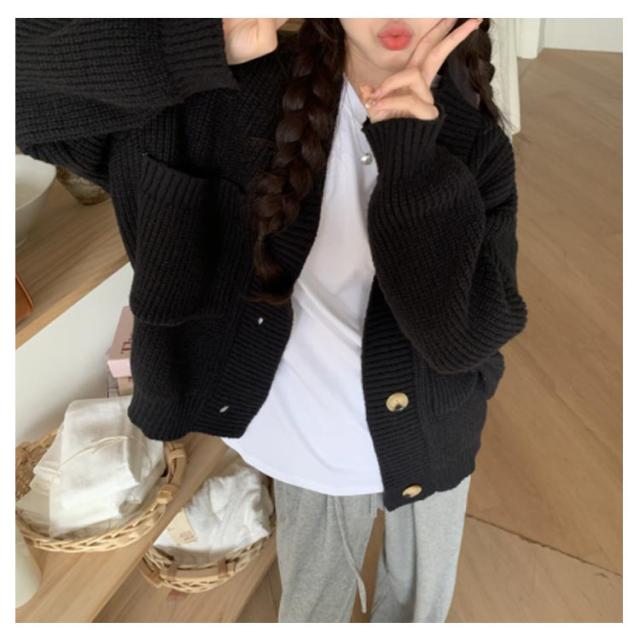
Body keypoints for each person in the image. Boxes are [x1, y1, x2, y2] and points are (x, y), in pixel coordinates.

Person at [16, 18, 528, 623]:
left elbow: (462, 339)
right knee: (312, 602)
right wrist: (190, 44)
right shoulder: (228, 98)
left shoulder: (478, 146)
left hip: (436, 428)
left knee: (421, 599)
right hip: (300, 442)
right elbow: (21, 92)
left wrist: (411, 163)